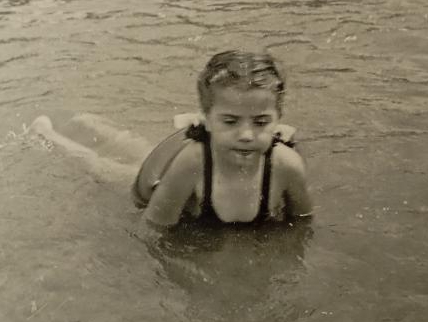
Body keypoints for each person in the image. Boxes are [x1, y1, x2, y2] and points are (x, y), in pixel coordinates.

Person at [132, 51, 313, 230]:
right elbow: (154, 227)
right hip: (161, 176)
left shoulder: (287, 165)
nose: (246, 135)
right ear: (207, 120)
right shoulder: (192, 163)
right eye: (230, 121)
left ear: (277, 119)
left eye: (260, 122)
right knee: (118, 168)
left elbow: (302, 225)